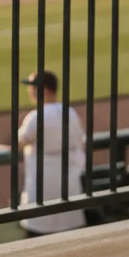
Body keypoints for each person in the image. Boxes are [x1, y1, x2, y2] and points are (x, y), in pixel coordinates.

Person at [16, 70, 87, 238]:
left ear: (45, 90)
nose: (30, 92)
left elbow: (19, 142)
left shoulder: (36, 116)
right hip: (69, 183)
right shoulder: (70, 112)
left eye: (33, 88)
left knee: (36, 239)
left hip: (41, 187)